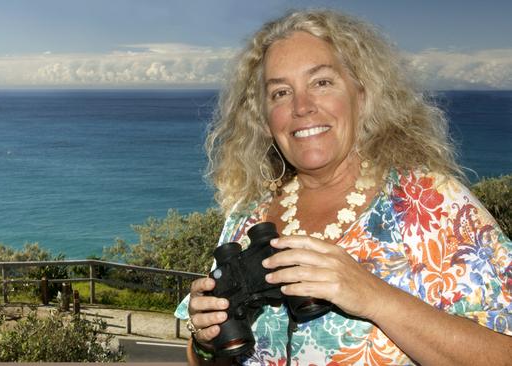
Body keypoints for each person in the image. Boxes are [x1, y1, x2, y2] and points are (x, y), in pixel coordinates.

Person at [175, 9, 511, 366]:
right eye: (280, 93)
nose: (301, 107)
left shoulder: (429, 203)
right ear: (263, 118)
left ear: (362, 94)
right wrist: (206, 341)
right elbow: (205, 361)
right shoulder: (247, 216)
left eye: (321, 82)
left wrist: (373, 296)